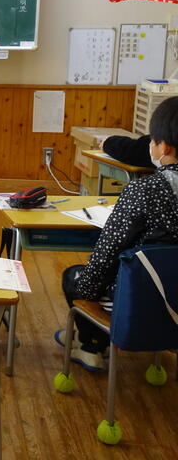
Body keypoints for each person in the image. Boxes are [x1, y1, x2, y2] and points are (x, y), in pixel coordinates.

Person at [57, 97, 178, 371]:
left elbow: (105, 257)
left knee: (76, 277)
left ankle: (91, 344)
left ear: (164, 147)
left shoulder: (143, 190)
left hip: (141, 303)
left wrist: (83, 290)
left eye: (152, 141)